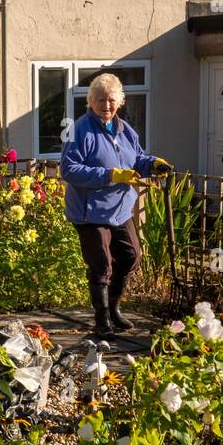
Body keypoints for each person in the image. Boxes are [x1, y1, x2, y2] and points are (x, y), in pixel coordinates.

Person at [59, 73, 172, 335]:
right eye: (100, 99)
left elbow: (137, 159)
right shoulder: (79, 130)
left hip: (120, 210)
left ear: (119, 101)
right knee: (101, 266)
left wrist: (153, 164)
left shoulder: (124, 129)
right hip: (90, 213)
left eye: (111, 100)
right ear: (90, 101)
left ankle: (114, 308)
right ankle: (102, 320)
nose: (106, 105)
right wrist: (110, 176)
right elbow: (68, 169)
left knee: (131, 256)